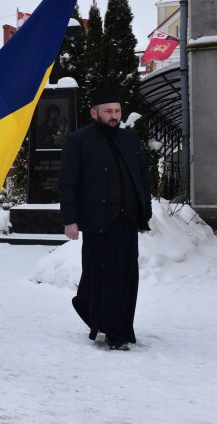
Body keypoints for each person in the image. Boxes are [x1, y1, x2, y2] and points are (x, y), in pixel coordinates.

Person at [59, 86, 152, 351]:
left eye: (117, 111)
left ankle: (117, 331)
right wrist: (70, 219)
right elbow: (68, 184)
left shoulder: (129, 140)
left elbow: (142, 179)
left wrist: (144, 215)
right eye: (108, 111)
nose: (114, 116)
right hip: (97, 222)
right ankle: (95, 312)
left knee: (125, 279)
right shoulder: (78, 141)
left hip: (127, 221)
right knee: (99, 276)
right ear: (94, 113)